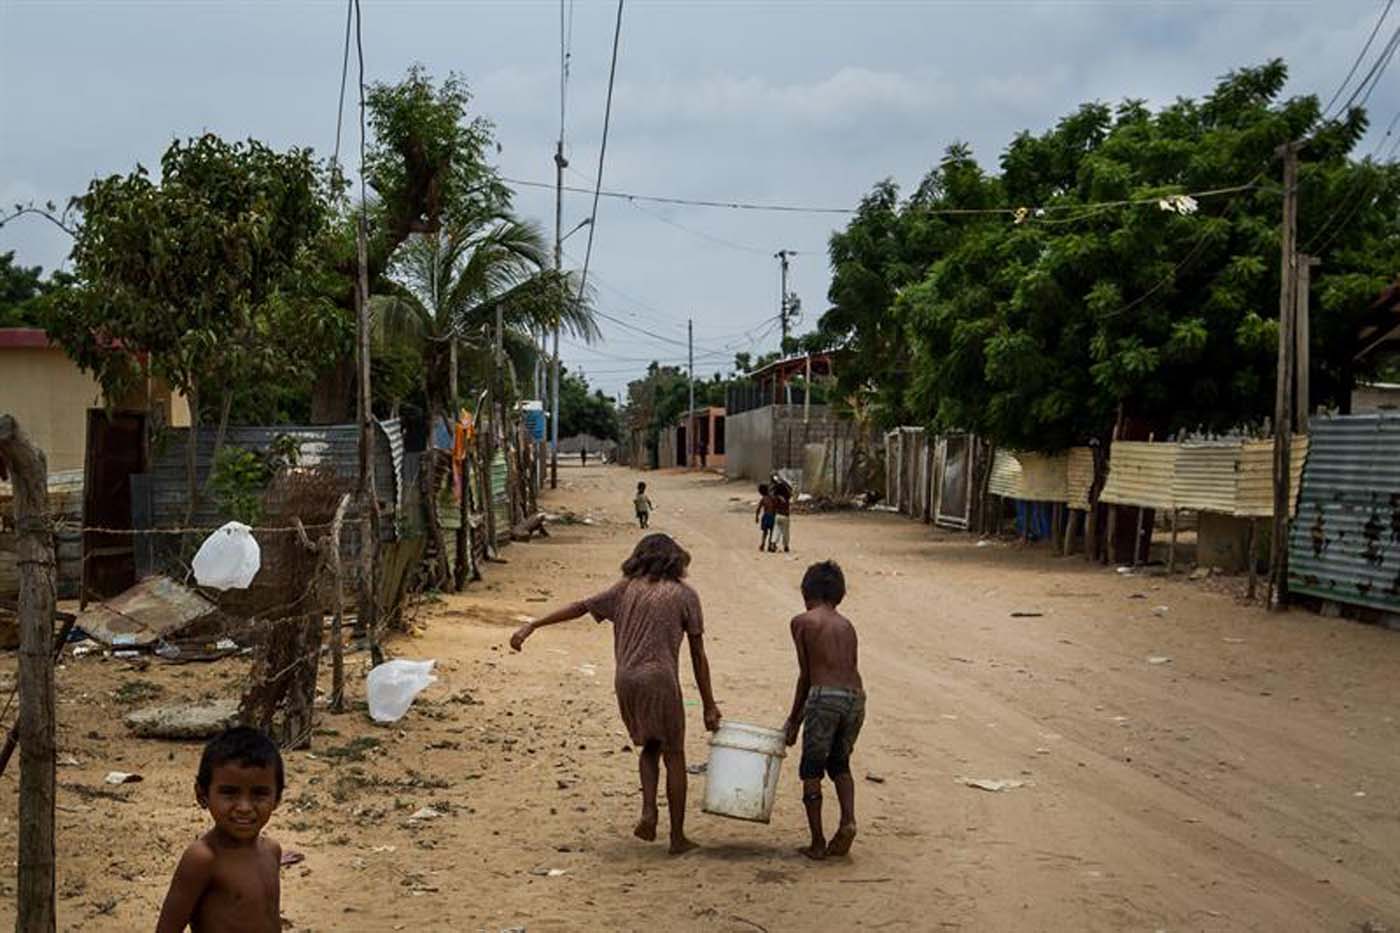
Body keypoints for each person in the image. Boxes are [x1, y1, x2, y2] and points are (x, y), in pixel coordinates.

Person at [511, 534, 722, 854]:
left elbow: (579, 607)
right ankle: (677, 838)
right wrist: (709, 704)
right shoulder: (684, 595)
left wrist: (533, 626)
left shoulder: (624, 589)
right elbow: (698, 655)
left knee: (649, 745)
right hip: (660, 680)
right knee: (674, 754)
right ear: (676, 560)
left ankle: (649, 810)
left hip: (626, 680)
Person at [156, 727, 285, 932]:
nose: (244, 807)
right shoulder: (203, 858)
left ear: (277, 798)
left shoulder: (272, 851)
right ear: (202, 795)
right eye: (229, 793)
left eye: (259, 794)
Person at [783, 560, 864, 860]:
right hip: (856, 698)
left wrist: (794, 720)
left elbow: (806, 676)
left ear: (806, 592)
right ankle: (848, 820)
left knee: (811, 769)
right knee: (840, 763)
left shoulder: (802, 622)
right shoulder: (847, 625)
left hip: (823, 698)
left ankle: (817, 842)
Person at [770, 475, 793, 553]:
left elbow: (773, 502)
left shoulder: (776, 498)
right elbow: (790, 490)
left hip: (778, 515)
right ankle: (786, 546)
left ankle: (773, 543)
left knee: (776, 530)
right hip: (786, 516)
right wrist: (784, 483)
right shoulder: (786, 498)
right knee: (786, 532)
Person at [755, 483, 776, 552]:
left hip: (766, 516)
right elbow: (775, 507)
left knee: (765, 532)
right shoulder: (772, 498)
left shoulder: (763, 499)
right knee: (772, 532)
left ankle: (763, 544)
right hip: (772, 516)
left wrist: (757, 517)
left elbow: (758, 508)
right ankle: (770, 545)